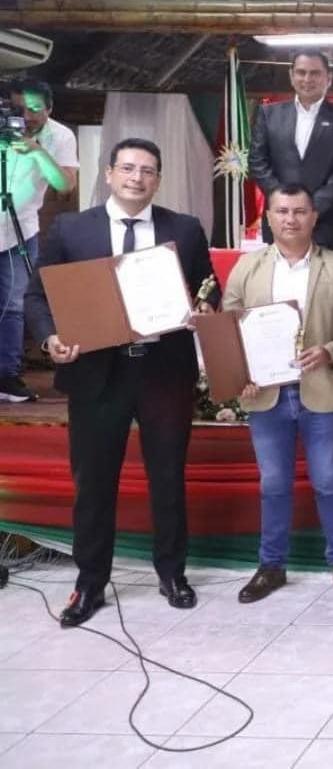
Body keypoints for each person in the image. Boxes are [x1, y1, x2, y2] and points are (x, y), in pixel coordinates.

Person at [25, 138, 217, 626]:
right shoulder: (72, 229)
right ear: (109, 173)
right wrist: (51, 338)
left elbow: (208, 288)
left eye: (148, 170)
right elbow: (38, 297)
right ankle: (90, 582)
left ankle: (172, 573)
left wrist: (203, 308)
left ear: (158, 180)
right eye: (128, 168)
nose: (137, 178)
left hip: (163, 370)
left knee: (168, 476)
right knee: (93, 482)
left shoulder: (184, 229)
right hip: (96, 372)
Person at [223, 184, 333, 603]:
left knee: (328, 481)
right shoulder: (248, 267)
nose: (291, 219)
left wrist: (331, 351)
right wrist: (240, 373)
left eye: (299, 211)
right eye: (282, 211)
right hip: (266, 394)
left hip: (322, 391)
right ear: (269, 217)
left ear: (313, 217)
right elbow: (228, 328)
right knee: (273, 483)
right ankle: (271, 565)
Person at [2, 79, 78, 402]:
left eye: (34, 110)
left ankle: (6, 375)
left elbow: (65, 184)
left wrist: (37, 152)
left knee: (14, 304)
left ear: (49, 108)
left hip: (21, 227)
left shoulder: (61, 136)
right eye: (19, 109)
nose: (26, 117)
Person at [248, 50, 333, 254]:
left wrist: (310, 209)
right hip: (280, 226)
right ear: (291, 76)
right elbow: (257, 162)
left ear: (328, 78)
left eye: (315, 73)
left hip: (329, 227)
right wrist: (286, 207)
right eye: (301, 72)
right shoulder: (269, 114)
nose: (307, 79)